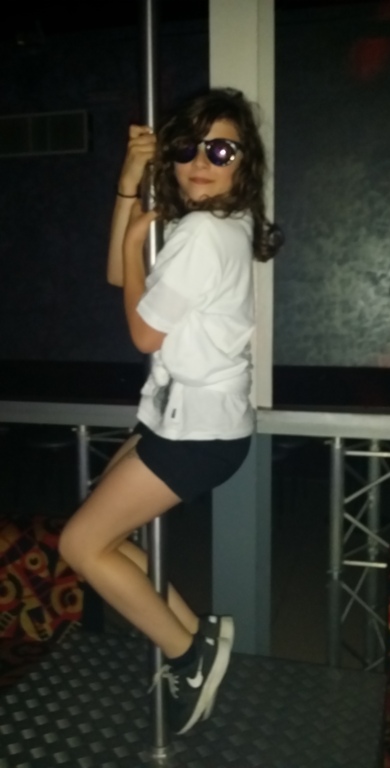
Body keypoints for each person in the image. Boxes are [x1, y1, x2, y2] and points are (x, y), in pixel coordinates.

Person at [59, 88, 280, 736]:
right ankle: (196, 636)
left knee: (82, 544)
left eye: (221, 150)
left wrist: (135, 246)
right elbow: (119, 276)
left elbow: (143, 333)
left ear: (244, 161)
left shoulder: (204, 233)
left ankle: (188, 656)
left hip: (196, 431)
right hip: (188, 422)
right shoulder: (217, 227)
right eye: (187, 148)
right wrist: (130, 186)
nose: (200, 162)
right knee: (105, 536)